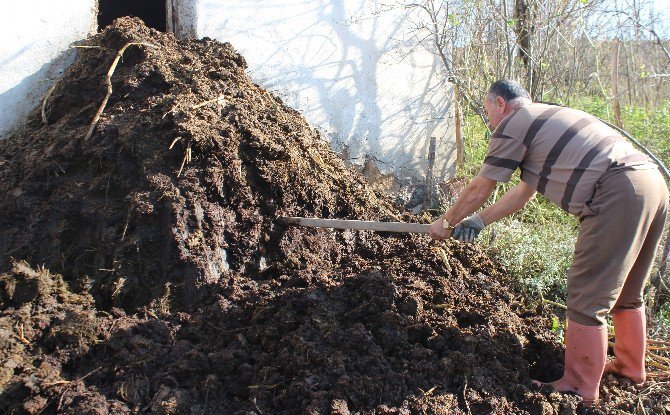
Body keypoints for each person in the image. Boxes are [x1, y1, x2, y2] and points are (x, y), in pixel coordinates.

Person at [429, 79, 668, 404]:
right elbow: (522, 194)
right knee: (626, 292)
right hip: (650, 182)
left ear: (501, 104)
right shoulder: (546, 121)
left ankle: (579, 386)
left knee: (587, 297)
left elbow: (480, 187)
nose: (490, 122)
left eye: (489, 113)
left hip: (616, 189)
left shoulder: (514, 124)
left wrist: (446, 222)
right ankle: (629, 368)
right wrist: (478, 220)